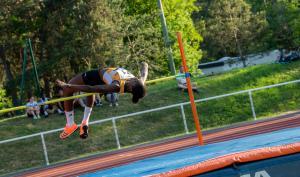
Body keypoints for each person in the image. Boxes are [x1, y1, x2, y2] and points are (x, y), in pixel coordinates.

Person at [56, 62, 148, 139]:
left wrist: (68, 86)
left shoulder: (116, 85)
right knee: (89, 93)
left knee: (67, 89)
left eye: (135, 81)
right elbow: (144, 74)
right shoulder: (139, 84)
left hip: (97, 76)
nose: (134, 78)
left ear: (131, 88)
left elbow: (91, 88)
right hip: (102, 79)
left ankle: (70, 124)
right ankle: (85, 123)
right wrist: (144, 65)